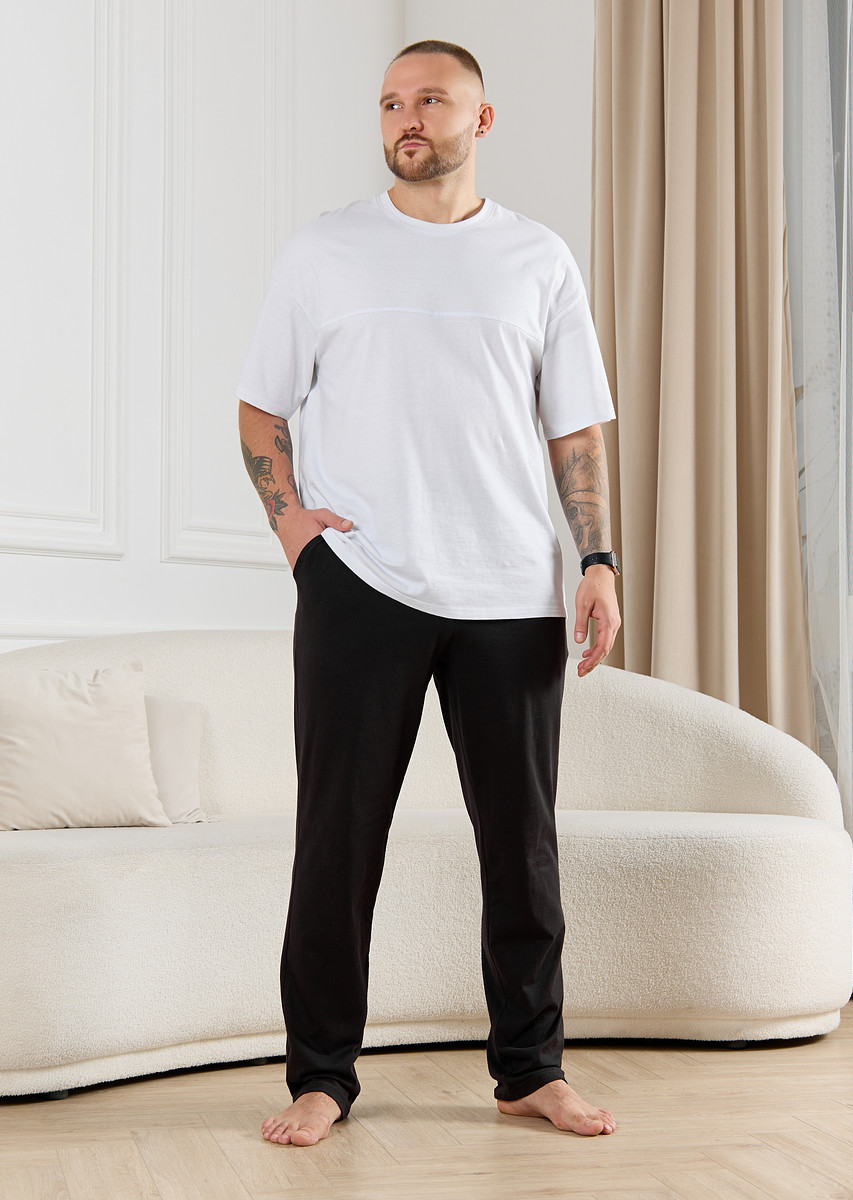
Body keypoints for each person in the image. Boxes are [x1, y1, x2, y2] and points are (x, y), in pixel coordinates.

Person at [237, 39, 621, 1147]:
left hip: (511, 589)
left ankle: (530, 1070)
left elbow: (574, 429)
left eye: (432, 99)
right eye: (392, 102)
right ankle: (321, 1074)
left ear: (481, 119)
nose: (407, 117)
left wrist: (598, 560)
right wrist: (295, 529)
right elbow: (261, 407)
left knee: (523, 844)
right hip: (363, 582)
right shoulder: (324, 252)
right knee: (338, 838)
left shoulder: (538, 259)